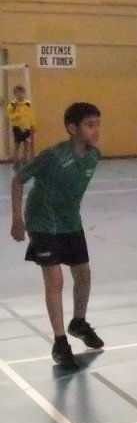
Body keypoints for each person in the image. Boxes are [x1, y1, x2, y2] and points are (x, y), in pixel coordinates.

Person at [9, 102, 103, 371]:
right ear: (72, 128)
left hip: (70, 221)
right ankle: (60, 344)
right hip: (42, 221)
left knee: (83, 275)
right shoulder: (52, 156)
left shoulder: (94, 156)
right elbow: (18, 180)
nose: (96, 130)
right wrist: (17, 220)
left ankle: (78, 323)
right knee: (55, 280)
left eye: (98, 124)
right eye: (90, 125)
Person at [5, 84, 36, 168]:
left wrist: (33, 125)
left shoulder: (27, 104)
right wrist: (16, 115)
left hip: (27, 127)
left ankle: (25, 162)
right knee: (17, 145)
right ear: (15, 94)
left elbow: (31, 115)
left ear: (24, 93)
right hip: (17, 127)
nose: (20, 94)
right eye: (17, 93)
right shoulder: (12, 105)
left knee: (26, 145)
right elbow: (8, 115)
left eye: (21, 92)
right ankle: (16, 163)